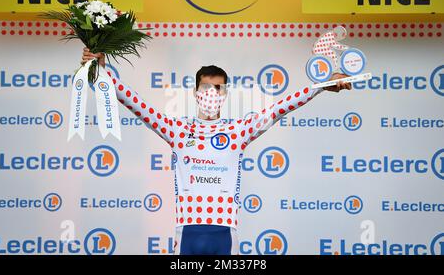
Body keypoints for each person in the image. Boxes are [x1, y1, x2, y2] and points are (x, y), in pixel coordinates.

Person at [81, 48, 351, 255]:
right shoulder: (176, 129)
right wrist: (100, 72)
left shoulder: (238, 130)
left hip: (225, 232)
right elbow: (135, 103)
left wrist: (320, 87)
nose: (211, 93)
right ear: (195, 91)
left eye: (218, 88)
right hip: (187, 231)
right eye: (206, 87)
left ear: (225, 93)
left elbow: (281, 107)